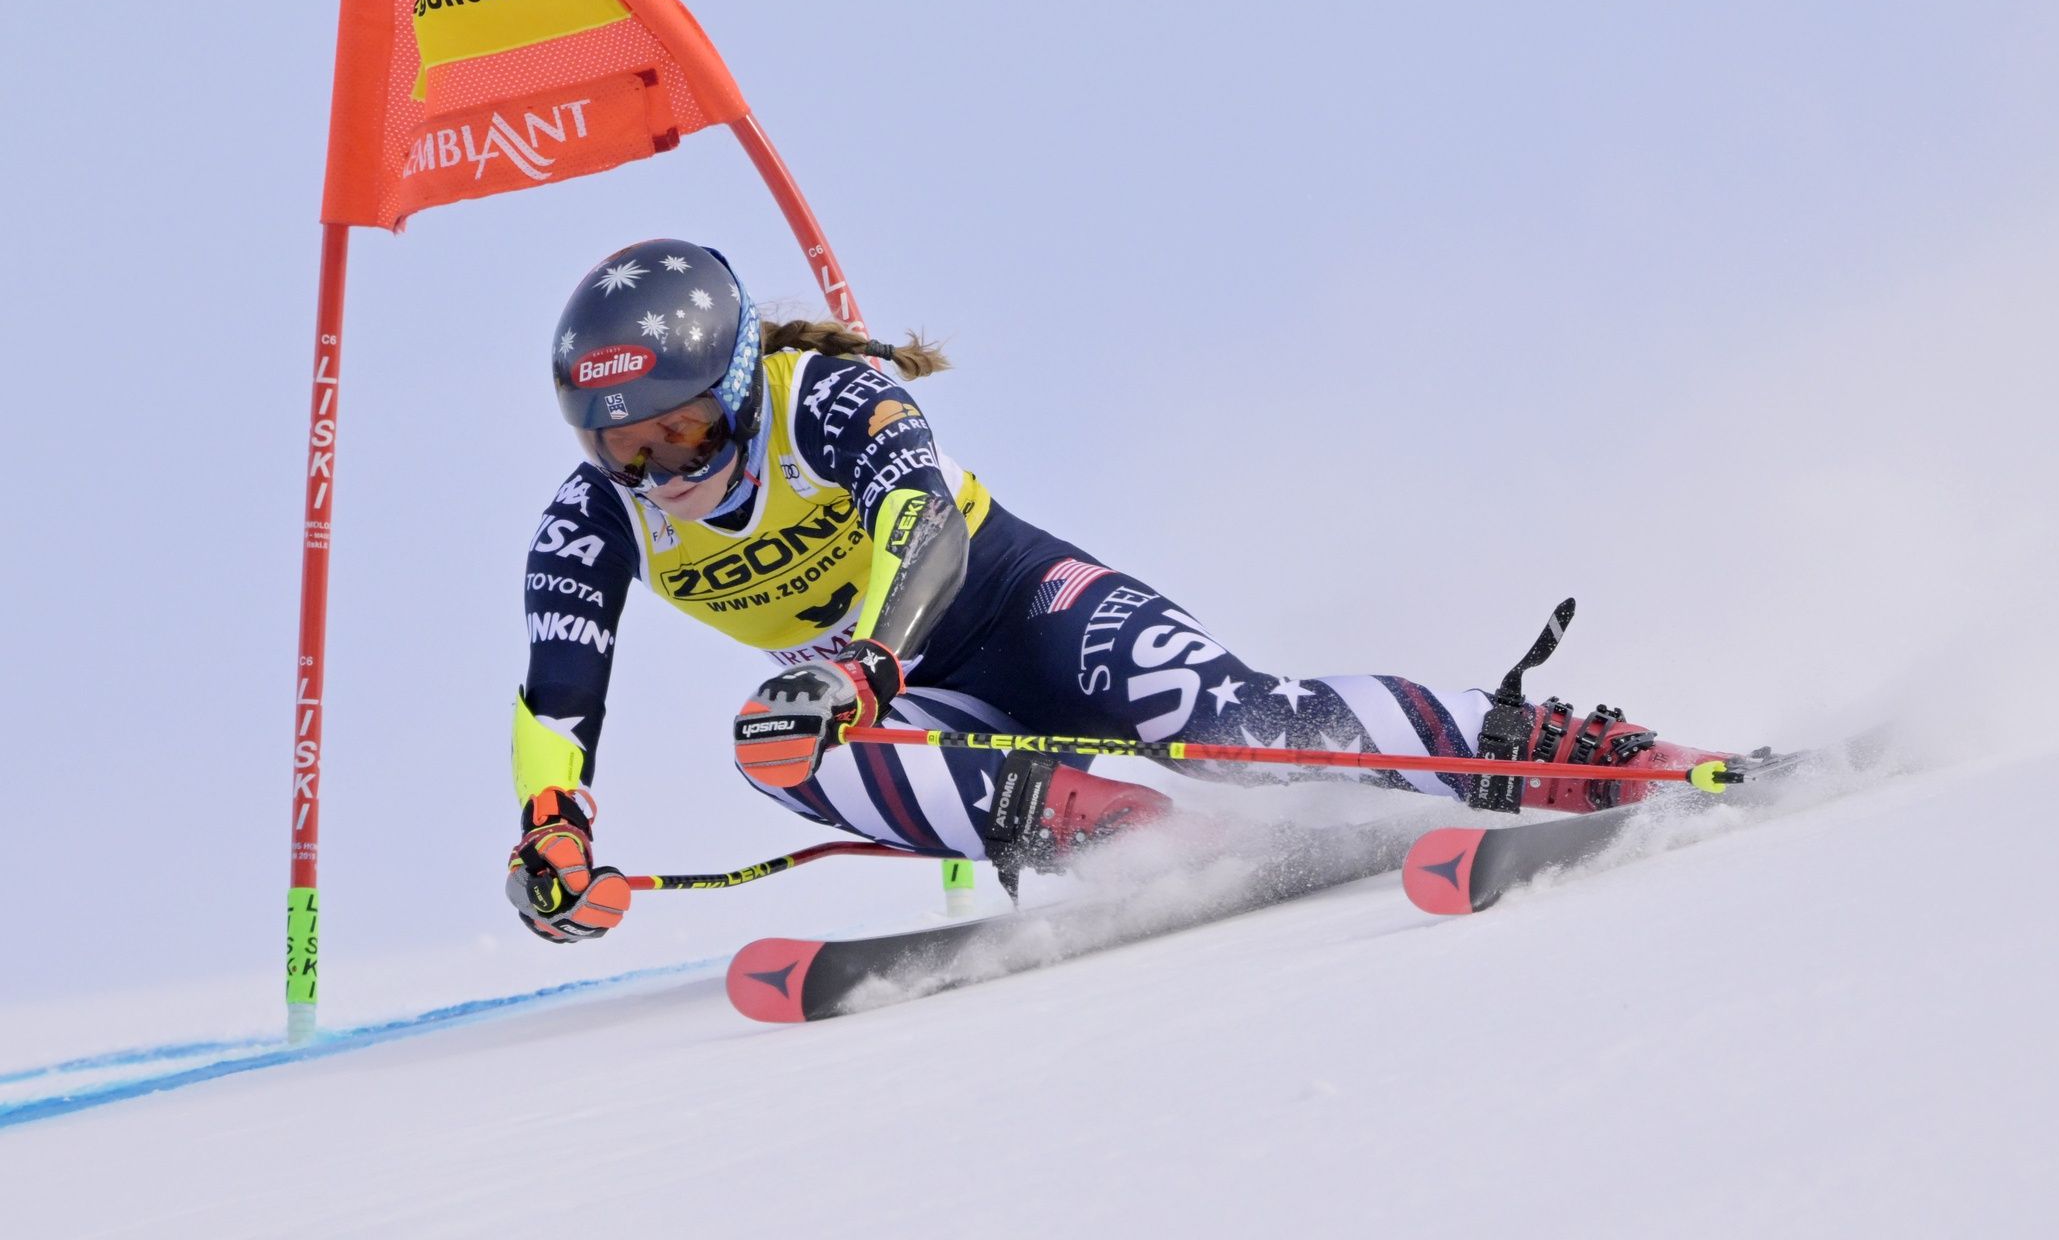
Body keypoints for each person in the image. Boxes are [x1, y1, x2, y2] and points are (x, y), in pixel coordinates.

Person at [505, 239, 1724, 942]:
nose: (660, 470)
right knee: (770, 742)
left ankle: (1566, 754)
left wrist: (866, 657)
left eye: (680, 430)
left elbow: (924, 532)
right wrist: (552, 830)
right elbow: (559, 693)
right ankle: (1139, 843)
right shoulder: (589, 516)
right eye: (623, 447)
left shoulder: (826, 400)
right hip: (903, 698)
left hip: (1015, 607)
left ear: (738, 383)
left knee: (1236, 728)